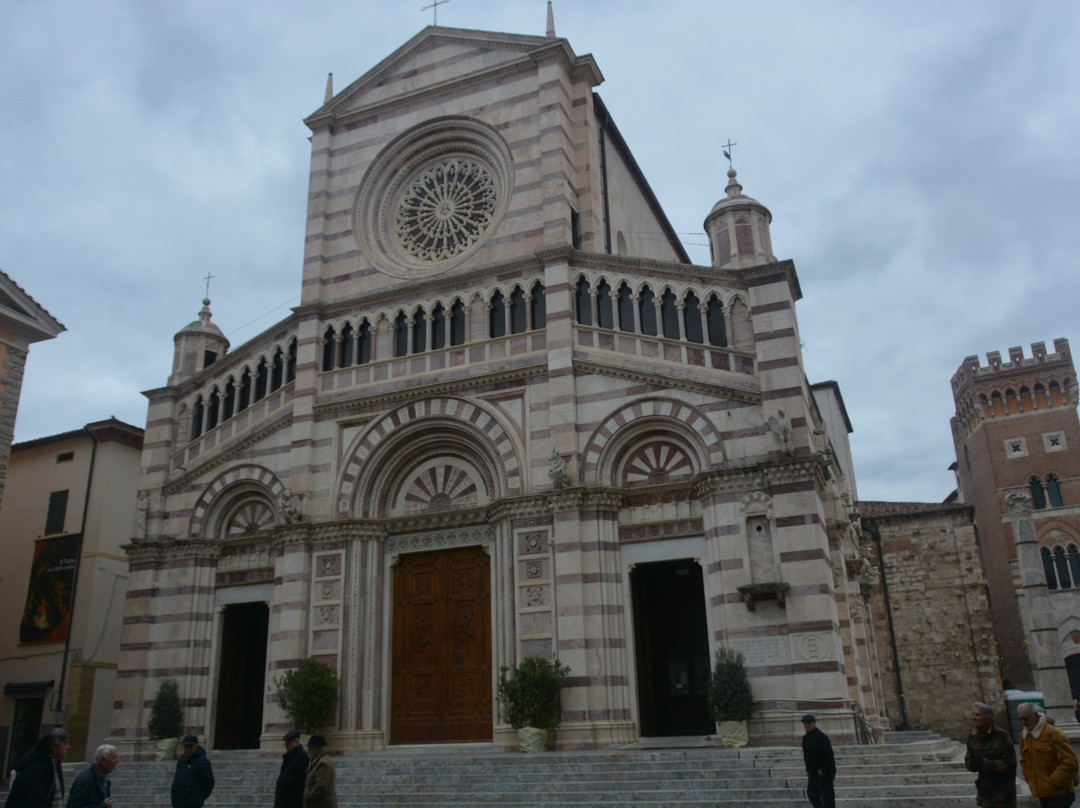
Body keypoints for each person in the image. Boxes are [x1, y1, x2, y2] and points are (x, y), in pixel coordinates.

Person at [1018, 702, 1079, 808]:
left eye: (1026, 718)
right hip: (1040, 792)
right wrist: (1031, 780)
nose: (1023, 722)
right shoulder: (1024, 735)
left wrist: (1052, 782)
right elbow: (1024, 761)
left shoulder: (1054, 733)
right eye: (1020, 719)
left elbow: (1070, 763)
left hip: (1059, 793)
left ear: (1035, 716)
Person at [965, 702, 1016, 808]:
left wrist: (985, 763)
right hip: (984, 791)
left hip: (1003, 791)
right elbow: (968, 759)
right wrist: (972, 765)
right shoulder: (972, 737)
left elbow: (1009, 763)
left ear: (988, 719)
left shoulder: (1001, 736)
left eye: (978, 715)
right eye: (974, 714)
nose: (975, 718)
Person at [4, 726, 71, 808]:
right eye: (65, 743)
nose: (69, 747)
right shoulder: (36, 769)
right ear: (53, 745)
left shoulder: (54, 764)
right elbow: (35, 802)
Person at [67, 743, 118, 808]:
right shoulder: (85, 780)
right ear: (103, 760)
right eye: (114, 758)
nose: (116, 761)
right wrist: (102, 805)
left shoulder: (105, 780)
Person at [801, 714, 836, 808]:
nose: (807, 725)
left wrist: (823, 770)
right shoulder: (805, 738)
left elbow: (828, 754)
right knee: (812, 794)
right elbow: (807, 756)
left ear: (814, 723)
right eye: (805, 723)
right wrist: (808, 770)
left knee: (827, 798)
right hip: (813, 773)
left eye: (809, 723)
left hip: (823, 773)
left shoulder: (820, 737)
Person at [171, 735, 215, 808]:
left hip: (193, 802)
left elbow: (208, 782)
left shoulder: (202, 762)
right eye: (186, 747)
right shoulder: (181, 760)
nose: (188, 749)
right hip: (178, 801)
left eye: (190, 747)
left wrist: (198, 797)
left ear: (196, 746)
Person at [274, 730, 307, 808]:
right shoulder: (289, 757)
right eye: (286, 743)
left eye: (289, 743)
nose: (287, 746)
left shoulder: (302, 757)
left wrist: (286, 780)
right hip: (283, 799)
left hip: (292, 799)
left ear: (296, 742)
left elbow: (301, 778)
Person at [304, 734, 337, 808]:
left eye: (310, 748)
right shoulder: (319, 760)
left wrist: (309, 797)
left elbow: (321, 785)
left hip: (321, 804)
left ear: (317, 748)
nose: (308, 751)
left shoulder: (322, 763)